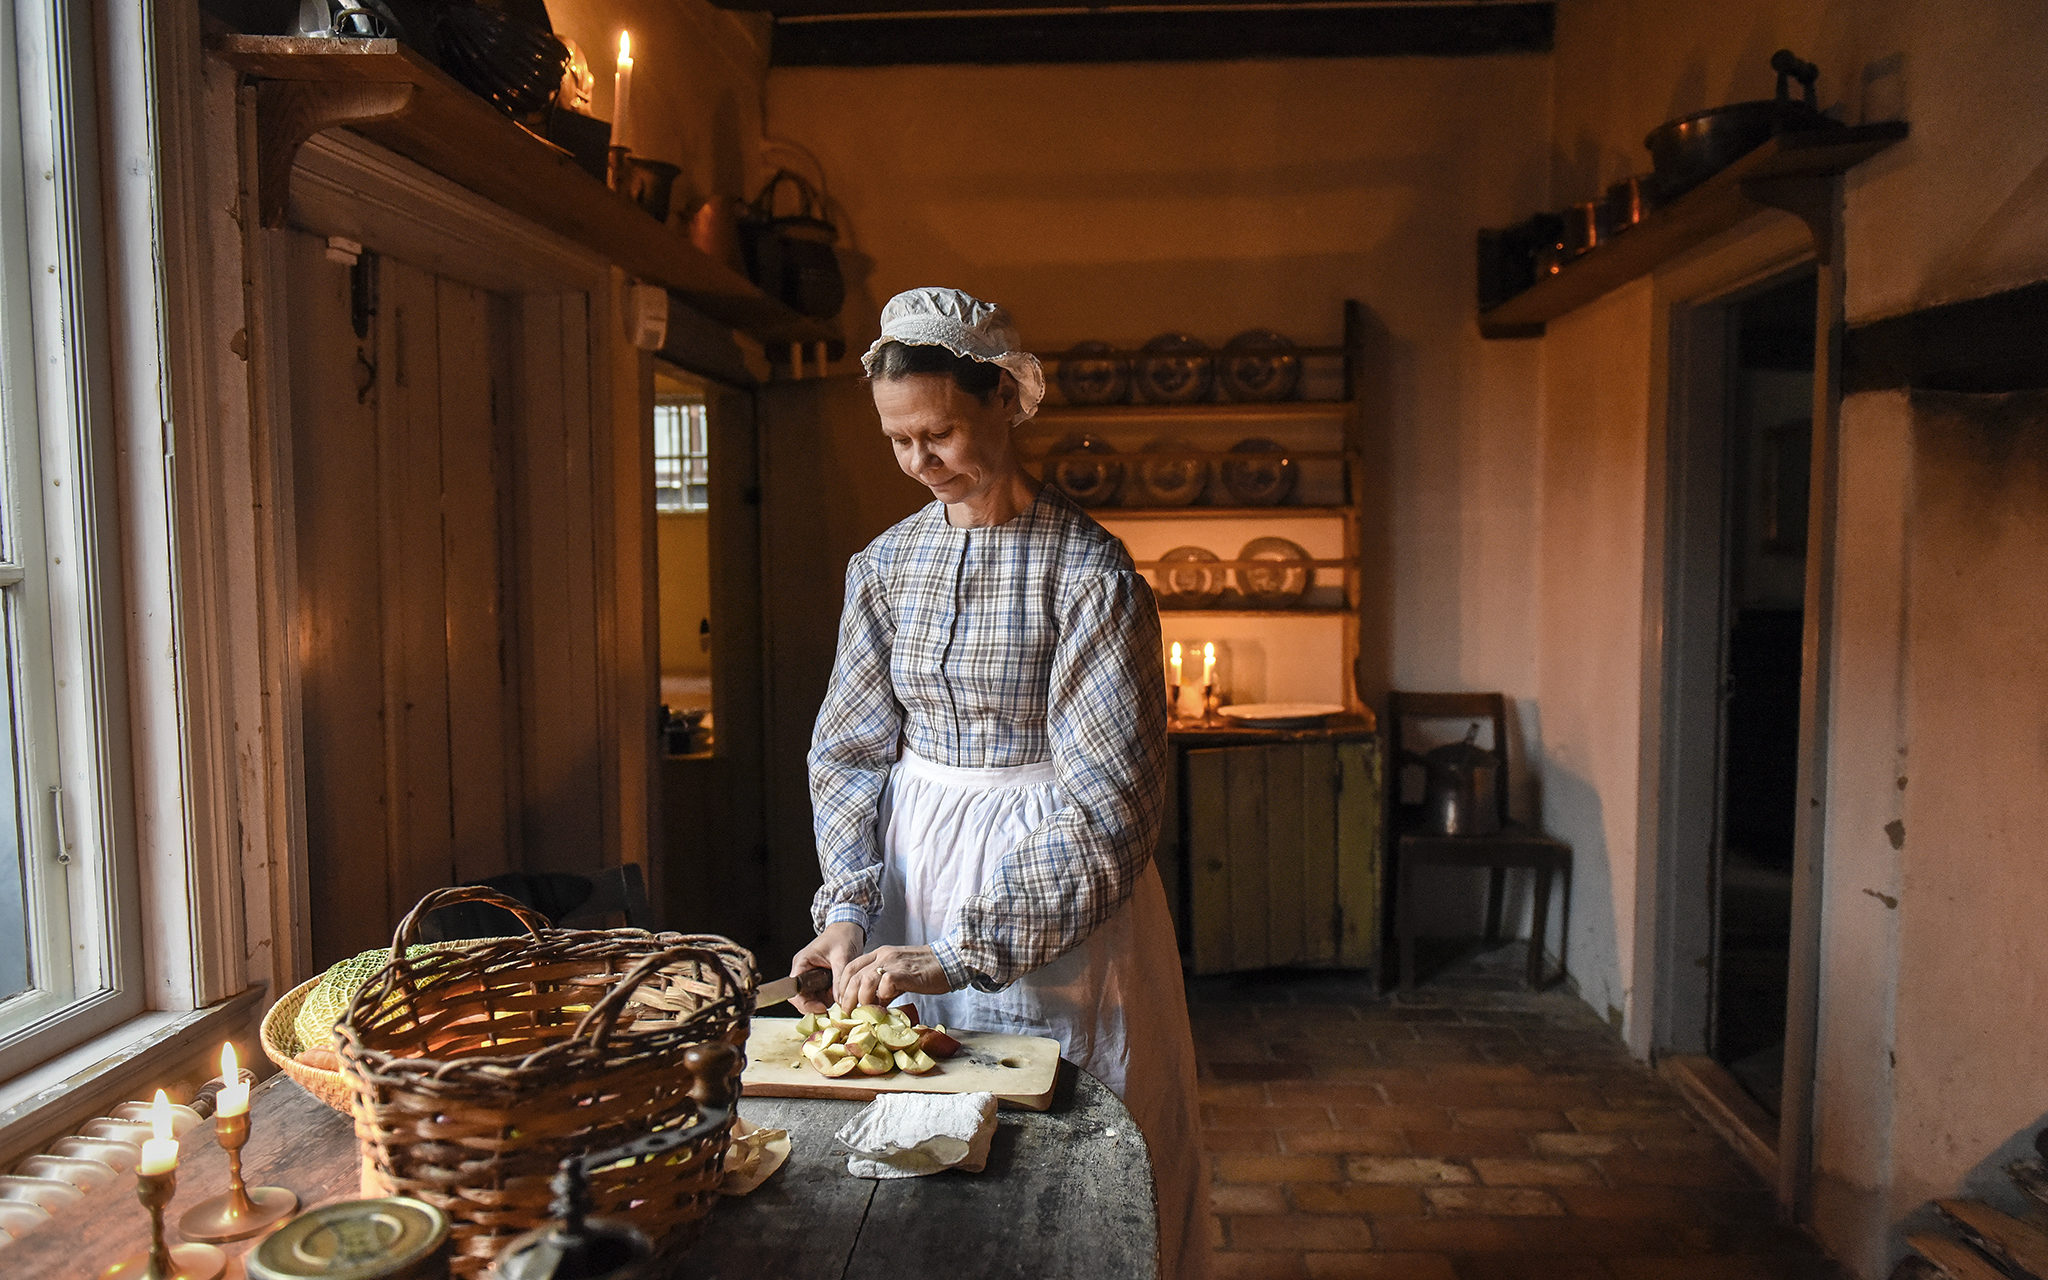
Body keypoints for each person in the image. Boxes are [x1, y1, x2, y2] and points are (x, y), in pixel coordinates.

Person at [789, 287, 1205, 1278]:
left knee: (1050, 1140)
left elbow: (1109, 810)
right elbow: (847, 751)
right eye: (898, 440)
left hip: (1049, 885)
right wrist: (848, 909)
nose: (919, 462)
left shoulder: (1088, 574)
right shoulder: (882, 567)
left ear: (1006, 404)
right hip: (909, 870)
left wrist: (955, 954)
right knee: (909, 1146)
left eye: (938, 432)